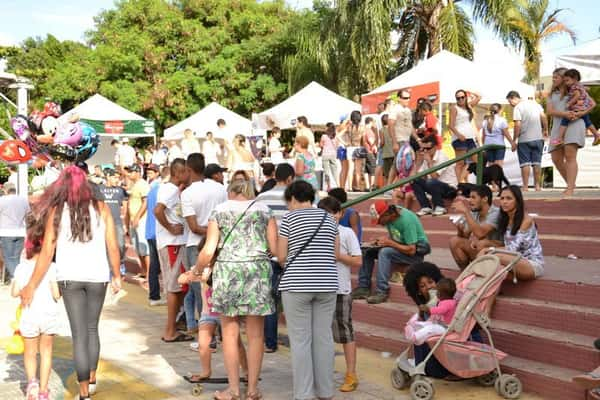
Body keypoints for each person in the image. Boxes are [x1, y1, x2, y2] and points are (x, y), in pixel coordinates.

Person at [19, 165, 121, 400]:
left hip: (69, 277)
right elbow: (113, 246)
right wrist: (116, 275)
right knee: (92, 328)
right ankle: (92, 377)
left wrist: (32, 285)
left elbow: (46, 252)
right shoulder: (101, 207)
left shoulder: (57, 211)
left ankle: (83, 391)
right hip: (98, 277)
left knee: (79, 334)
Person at [188, 178, 277, 400]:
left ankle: (234, 390)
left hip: (227, 273)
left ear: (231, 191)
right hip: (258, 272)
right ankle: (253, 390)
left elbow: (209, 249)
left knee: (229, 334)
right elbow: (274, 248)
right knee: (256, 335)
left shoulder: (219, 210)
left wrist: (197, 270)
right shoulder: (265, 210)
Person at [277, 180, 338, 400]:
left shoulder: (290, 219)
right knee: (323, 338)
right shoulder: (328, 218)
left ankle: (304, 394)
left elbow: (281, 256)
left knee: (300, 340)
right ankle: (325, 391)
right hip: (327, 284)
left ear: (293, 198)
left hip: (296, 285)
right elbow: (334, 253)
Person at [11, 212, 61, 400]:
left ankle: (31, 384)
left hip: (29, 315)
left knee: (30, 353)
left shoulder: (22, 267)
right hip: (48, 315)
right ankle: (43, 390)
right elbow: (56, 294)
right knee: (46, 352)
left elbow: (15, 292)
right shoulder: (52, 268)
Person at [317, 196, 362, 393]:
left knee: (345, 332)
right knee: (320, 334)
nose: (330, 217)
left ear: (340, 214)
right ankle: (322, 373)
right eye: (325, 214)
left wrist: (339, 256)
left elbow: (358, 261)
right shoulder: (315, 233)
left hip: (340, 290)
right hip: (318, 290)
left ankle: (351, 373)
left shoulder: (346, 234)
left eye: (334, 213)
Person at [181, 153, 227, 336]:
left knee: (201, 290)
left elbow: (193, 227)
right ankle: (225, 332)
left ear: (189, 169)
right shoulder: (220, 189)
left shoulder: (187, 194)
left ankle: (207, 335)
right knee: (220, 286)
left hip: (196, 245)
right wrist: (217, 233)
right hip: (221, 244)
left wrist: (208, 231)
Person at [178, 267, 249, 384]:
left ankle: (246, 371)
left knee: (236, 343)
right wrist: (193, 275)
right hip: (208, 313)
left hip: (225, 313)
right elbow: (180, 279)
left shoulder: (224, 267)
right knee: (203, 343)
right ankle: (206, 371)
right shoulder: (202, 269)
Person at [352, 200, 430, 304]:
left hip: (415, 254)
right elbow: (397, 236)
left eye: (379, 221)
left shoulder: (406, 220)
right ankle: (363, 287)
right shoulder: (391, 216)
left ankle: (382, 291)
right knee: (367, 251)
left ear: (387, 214)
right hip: (400, 248)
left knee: (385, 252)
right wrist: (379, 242)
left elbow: (412, 250)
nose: (379, 224)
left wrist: (389, 243)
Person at [256, 163, 295, 353]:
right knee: (294, 299)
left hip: (268, 254)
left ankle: (270, 343)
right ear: (289, 179)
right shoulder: (295, 198)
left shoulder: (261, 198)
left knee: (270, 299)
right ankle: (298, 341)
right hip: (291, 255)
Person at [154, 158, 193, 343]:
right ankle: (170, 329)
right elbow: (158, 210)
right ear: (177, 173)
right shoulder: (168, 190)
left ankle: (173, 325)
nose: (189, 174)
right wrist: (170, 227)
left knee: (181, 286)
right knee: (174, 286)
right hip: (172, 243)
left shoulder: (176, 190)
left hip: (177, 242)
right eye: (186, 171)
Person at [546, 67, 596, 197]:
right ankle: (571, 184)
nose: (553, 80)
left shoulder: (577, 89)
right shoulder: (552, 94)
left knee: (570, 156)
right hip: (558, 126)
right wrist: (565, 114)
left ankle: (570, 188)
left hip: (575, 124)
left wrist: (581, 113)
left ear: (564, 78)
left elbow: (592, 103)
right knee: (556, 158)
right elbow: (550, 111)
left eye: (556, 77)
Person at [480, 185, 544, 281]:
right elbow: (507, 245)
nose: (504, 202)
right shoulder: (505, 219)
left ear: (517, 201)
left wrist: (489, 250)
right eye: (502, 198)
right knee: (490, 275)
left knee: (493, 258)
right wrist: (487, 249)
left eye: (509, 198)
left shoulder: (526, 220)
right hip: (513, 260)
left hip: (531, 264)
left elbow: (513, 248)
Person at [449, 184, 503, 270]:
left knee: (482, 243)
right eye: (469, 197)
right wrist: (460, 230)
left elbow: (480, 234)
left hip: (499, 250)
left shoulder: (496, 213)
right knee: (454, 241)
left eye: (473, 197)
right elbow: (465, 236)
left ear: (485, 199)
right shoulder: (474, 213)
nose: (470, 201)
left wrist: (466, 212)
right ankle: (465, 274)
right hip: (481, 249)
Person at [506, 90, 548, 192]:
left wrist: (514, 140)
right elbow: (543, 116)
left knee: (525, 164)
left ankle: (525, 186)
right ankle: (537, 186)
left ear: (513, 98)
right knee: (537, 163)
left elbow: (517, 125)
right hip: (538, 138)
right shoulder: (535, 104)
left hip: (524, 139)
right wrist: (545, 130)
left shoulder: (518, 108)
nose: (510, 104)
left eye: (510, 102)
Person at [413, 135, 458, 217]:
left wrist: (429, 162)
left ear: (436, 147)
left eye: (428, 148)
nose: (426, 151)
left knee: (431, 182)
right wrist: (419, 162)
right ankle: (426, 207)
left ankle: (440, 206)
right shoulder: (426, 157)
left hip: (450, 189)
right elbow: (419, 177)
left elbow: (435, 177)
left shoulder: (442, 156)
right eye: (424, 149)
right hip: (435, 187)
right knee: (415, 180)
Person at [554, 68, 599, 146]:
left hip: (577, 109)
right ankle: (596, 135)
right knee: (588, 123)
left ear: (574, 79)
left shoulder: (574, 87)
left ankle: (559, 139)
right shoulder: (580, 85)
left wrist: (570, 103)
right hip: (583, 108)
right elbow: (585, 91)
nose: (565, 83)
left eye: (567, 80)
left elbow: (577, 95)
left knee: (564, 121)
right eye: (564, 81)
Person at [98, 169, 128, 275]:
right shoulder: (99, 189)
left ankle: (121, 263)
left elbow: (125, 206)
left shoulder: (120, 190)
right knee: (105, 246)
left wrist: (125, 223)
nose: (117, 180)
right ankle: (109, 268)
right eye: (114, 177)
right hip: (103, 222)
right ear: (108, 177)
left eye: (118, 178)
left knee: (121, 244)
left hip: (117, 222)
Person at [144, 164, 166, 306]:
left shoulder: (152, 190)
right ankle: (157, 295)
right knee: (161, 265)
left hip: (151, 231)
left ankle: (154, 296)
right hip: (159, 232)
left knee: (154, 265)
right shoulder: (163, 190)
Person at [449, 89, 481, 183]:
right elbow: (450, 125)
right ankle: (459, 184)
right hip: (459, 138)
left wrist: (468, 90)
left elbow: (479, 97)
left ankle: (459, 183)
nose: (460, 100)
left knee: (476, 162)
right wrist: (458, 135)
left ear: (466, 97)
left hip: (470, 137)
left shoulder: (468, 106)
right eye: (458, 98)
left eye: (462, 97)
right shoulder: (454, 108)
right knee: (460, 163)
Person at [125, 164, 150, 279]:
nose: (129, 174)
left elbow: (146, 202)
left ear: (137, 172)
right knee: (137, 247)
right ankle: (144, 270)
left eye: (131, 172)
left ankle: (149, 273)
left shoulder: (143, 185)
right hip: (133, 220)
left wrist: (137, 217)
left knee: (144, 248)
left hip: (141, 220)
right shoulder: (135, 185)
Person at [0, 183, 29, 282]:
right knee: (16, 258)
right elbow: (28, 215)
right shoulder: (23, 200)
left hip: (6, 232)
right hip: (21, 231)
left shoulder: (2, 200)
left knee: (7, 257)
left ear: (5, 190)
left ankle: (17, 278)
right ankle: (17, 278)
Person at [482, 103, 514, 168]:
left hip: (488, 144)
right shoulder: (502, 120)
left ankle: (491, 178)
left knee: (490, 165)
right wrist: (512, 143)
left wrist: (483, 146)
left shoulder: (485, 121)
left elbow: (483, 135)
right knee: (498, 167)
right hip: (499, 144)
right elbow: (506, 133)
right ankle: (497, 178)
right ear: (500, 110)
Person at [374, 114, 395, 187]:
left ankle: (386, 187)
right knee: (394, 170)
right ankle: (392, 186)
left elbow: (382, 141)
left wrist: (379, 147)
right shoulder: (393, 128)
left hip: (386, 153)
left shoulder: (382, 130)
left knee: (386, 172)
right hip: (394, 152)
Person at [320, 122, 339, 190]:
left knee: (327, 172)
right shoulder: (335, 136)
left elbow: (321, 145)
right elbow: (337, 146)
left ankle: (329, 186)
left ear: (328, 128)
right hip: (333, 155)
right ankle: (338, 185)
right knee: (335, 172)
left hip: (325, 155)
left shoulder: (324, 136)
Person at [363, 117, 378, 191]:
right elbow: (371, 140)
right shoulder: (369, 131)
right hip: (370, 151)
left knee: (366, 170)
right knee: (372, 169)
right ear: (370, 122)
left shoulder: (363, 129)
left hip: (363, 151)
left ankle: (367, 186)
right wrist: (375, 148)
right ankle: (372, 186)